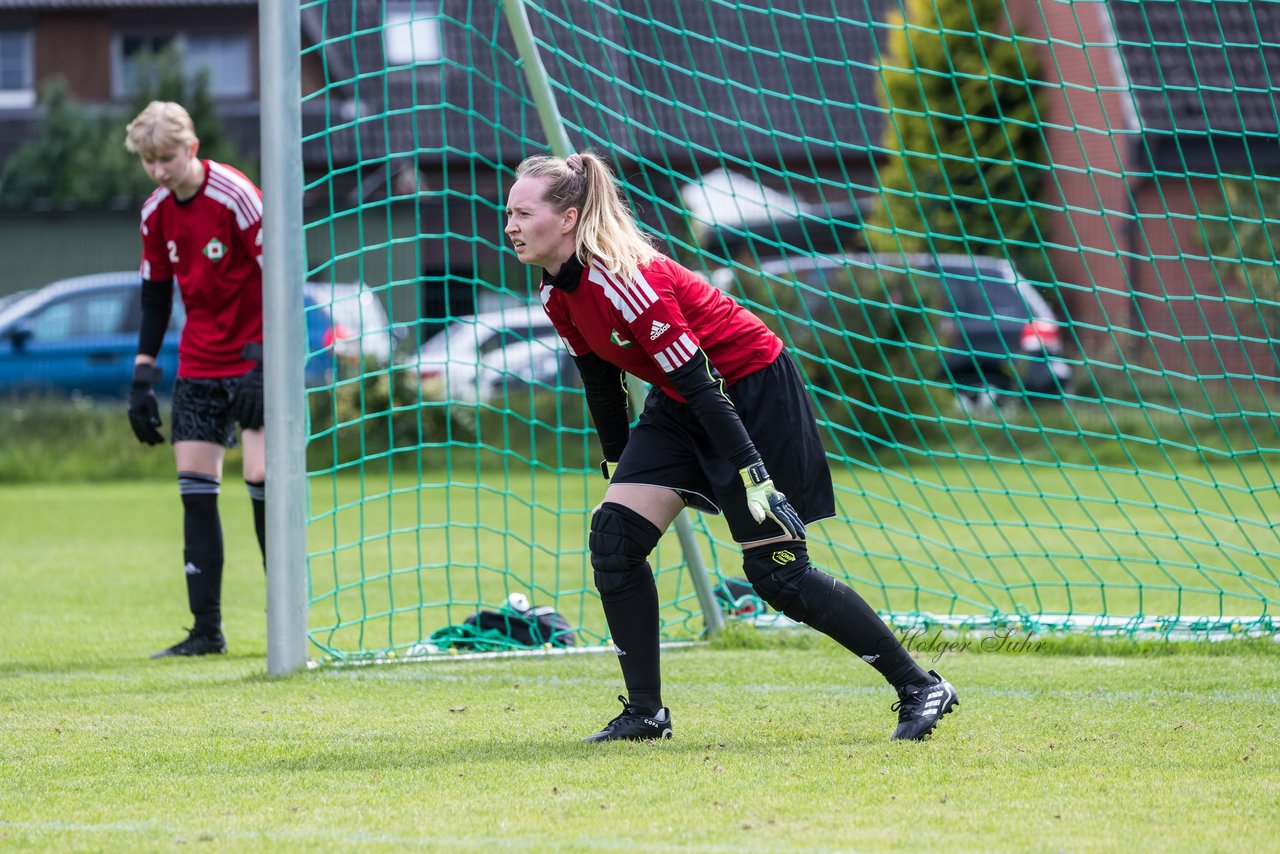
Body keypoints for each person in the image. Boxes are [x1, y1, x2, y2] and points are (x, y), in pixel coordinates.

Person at [504, 152, 959, 742]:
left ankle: (919, 685)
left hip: (750, 393)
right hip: (682, 401)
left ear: (566, 218)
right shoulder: (555, 291)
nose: (509, 225)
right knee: (614, 540)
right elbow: (600, 378)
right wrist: (619, 463)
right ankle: (645, 713)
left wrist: (754, 474)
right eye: (507, 212)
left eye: (521, 212)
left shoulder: (624, 278)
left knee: (778, 575)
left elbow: (701, 380)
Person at [123, 101, 267, 659]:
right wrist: (142, 376)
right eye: (149, 161)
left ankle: (286, 619)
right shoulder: (155, 212)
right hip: (201, 362)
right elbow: (156, 297)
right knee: (195, 490)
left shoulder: (235, 194)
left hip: (256, 357)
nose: (159, 170)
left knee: (261, 477)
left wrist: (262, 361)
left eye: (167, 158)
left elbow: (276, 275)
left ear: (192, 146)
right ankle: (206, 631)